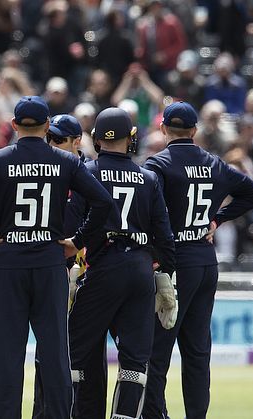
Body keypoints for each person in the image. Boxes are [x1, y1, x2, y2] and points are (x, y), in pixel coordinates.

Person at [0, 96, 114, 418]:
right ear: (47, 126)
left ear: (13, 126)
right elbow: (102, 202)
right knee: (55, 354)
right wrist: (77, 241)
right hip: (50, 263)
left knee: (5, 356)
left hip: (9, 263)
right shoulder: (66, 162)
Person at [142, 102, 253, 419]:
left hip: (175, 263)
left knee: (158, 350)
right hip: (204, 260)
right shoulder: (214, 163)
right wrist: (218, 219)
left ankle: (156, 414)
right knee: (197, 352)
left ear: (164, 129)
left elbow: (144, 210)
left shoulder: (158, 165)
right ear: (194, 131)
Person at [62, 107, 176, 419]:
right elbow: (164, 238)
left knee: (73, 350)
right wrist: (164, 274)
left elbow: (72, 228)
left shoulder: (87, 173)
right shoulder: (149, 178)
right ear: (132, 138)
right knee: (135, 360)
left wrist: (71, 268)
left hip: (101, 268)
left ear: (96, 139)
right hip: (140, 268)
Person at [33, 113, 108, 419]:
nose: (51, 143)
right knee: (47, 354)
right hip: (51, 274)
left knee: (89, 355)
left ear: (77, 142)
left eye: (58, 139)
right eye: (49, 138)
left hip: (87, 276)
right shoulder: (42, 173)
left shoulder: (90, 175)